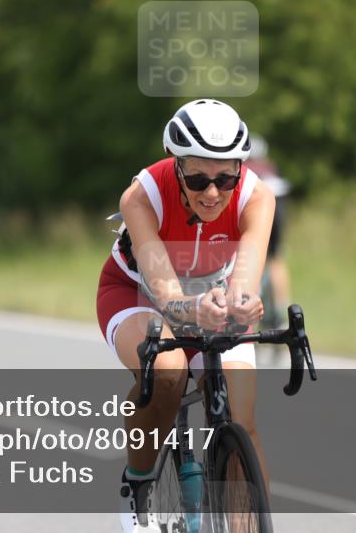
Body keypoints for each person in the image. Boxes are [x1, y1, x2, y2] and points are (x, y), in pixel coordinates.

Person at [96, 99, 276, 532]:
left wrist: (245, 302)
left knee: (241, 416)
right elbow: (164, 291)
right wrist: (192, 309)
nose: (212, 192)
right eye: (197, 178)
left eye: (225, 178)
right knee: (168, 369)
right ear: (177, 166)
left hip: (211, 299)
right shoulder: (143, 196)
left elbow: (246, 281)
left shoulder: (257, 198)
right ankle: (138, 483)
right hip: (137, 294)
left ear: (239, 170)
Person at [243, 134, 292, 329]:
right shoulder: (271, 168)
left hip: (258, 207)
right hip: (279, 205)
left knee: (249, 259)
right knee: (276, 259)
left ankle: (247, 313)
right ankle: (282, 309)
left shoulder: (243, 171)